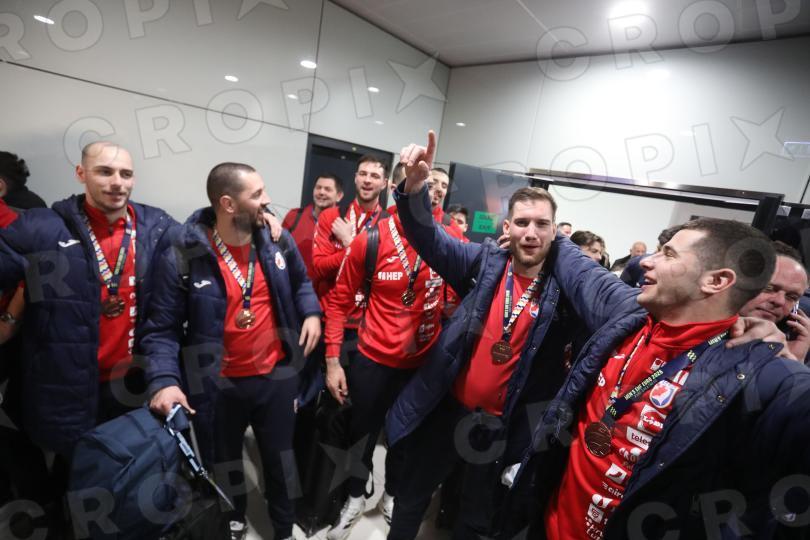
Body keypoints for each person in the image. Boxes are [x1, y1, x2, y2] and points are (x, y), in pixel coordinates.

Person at [507, 218, 810, 539]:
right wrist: (542, 230)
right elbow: (581, 271)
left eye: (668, 254)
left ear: (716, 281)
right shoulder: (628, 314)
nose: (646, 261)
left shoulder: (770, 378)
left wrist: (797, 364)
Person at [385, 131, 579, 539]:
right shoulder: (483, 262)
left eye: (541, 224)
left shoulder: (566, 293)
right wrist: (414, 191)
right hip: (449, 408)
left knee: (475, 518)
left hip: (498, 427)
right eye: (522, 222)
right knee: (412, 496)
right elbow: (429, 238)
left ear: (555, 232)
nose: (531, 232)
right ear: (508, 226)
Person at [143, 162, 321, 540]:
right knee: (223, 462)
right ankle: (233, 518)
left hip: (276, 377)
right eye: (256, 194)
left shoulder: (276, 239)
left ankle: (284, 529)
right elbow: (161, 328)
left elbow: (301, 282)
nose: (267, 200)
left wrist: (311, 312)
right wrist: (164, 380)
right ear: (227, 204)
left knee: (281, 461)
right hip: (217, 385)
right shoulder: (185, 252)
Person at [0, 141, 179, 457]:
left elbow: (210, 239)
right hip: (64, 389)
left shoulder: (156, 229)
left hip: (130, 388)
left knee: (123, 473)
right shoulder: (44, 227)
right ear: (81, 173)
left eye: (125, 174)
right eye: (105, 172)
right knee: (69, 472)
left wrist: (263, 219)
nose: (117, 182)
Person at [323, 197, 458, 539]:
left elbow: (464, 293)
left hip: (422, 364)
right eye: (418, 189)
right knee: (362, 437)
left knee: (406, 439)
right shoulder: (370, 240)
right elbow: (339, 302)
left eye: (434, 191)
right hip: (373, 360)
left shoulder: (450, 238)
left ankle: (392, 495)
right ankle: (355, 498)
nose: (429, 197)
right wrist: (332, 361)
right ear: (400, 192)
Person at [740, 240, 810, 361]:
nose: (780, 301)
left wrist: (792, 362)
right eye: (768, 288)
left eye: (792, 297)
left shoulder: (794, 343)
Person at [281, 173, 344, 283]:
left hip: (326, 290)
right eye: (318, 188)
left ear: (339, 196)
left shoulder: (344, 224)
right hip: (294, 287)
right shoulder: (294, 216)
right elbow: (278, 250)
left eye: (327, 189)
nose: (321, 192)